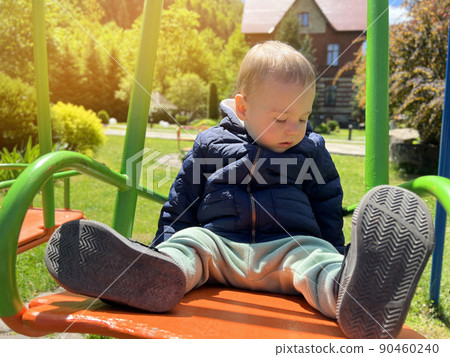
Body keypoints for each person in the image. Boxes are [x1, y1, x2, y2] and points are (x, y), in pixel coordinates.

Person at [44, 41, 434, 339]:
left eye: (303, 117)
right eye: (281, 117)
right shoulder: (210, 144)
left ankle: (350, 293)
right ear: (243, 108)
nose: (294, 128)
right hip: (220, 247)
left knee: (315, 261)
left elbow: (327, 203)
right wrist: (165, 242)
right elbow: (183, 199)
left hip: (288, 250)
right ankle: (153, 274)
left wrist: (332, 248)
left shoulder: (310, 149)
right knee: (190, 243)